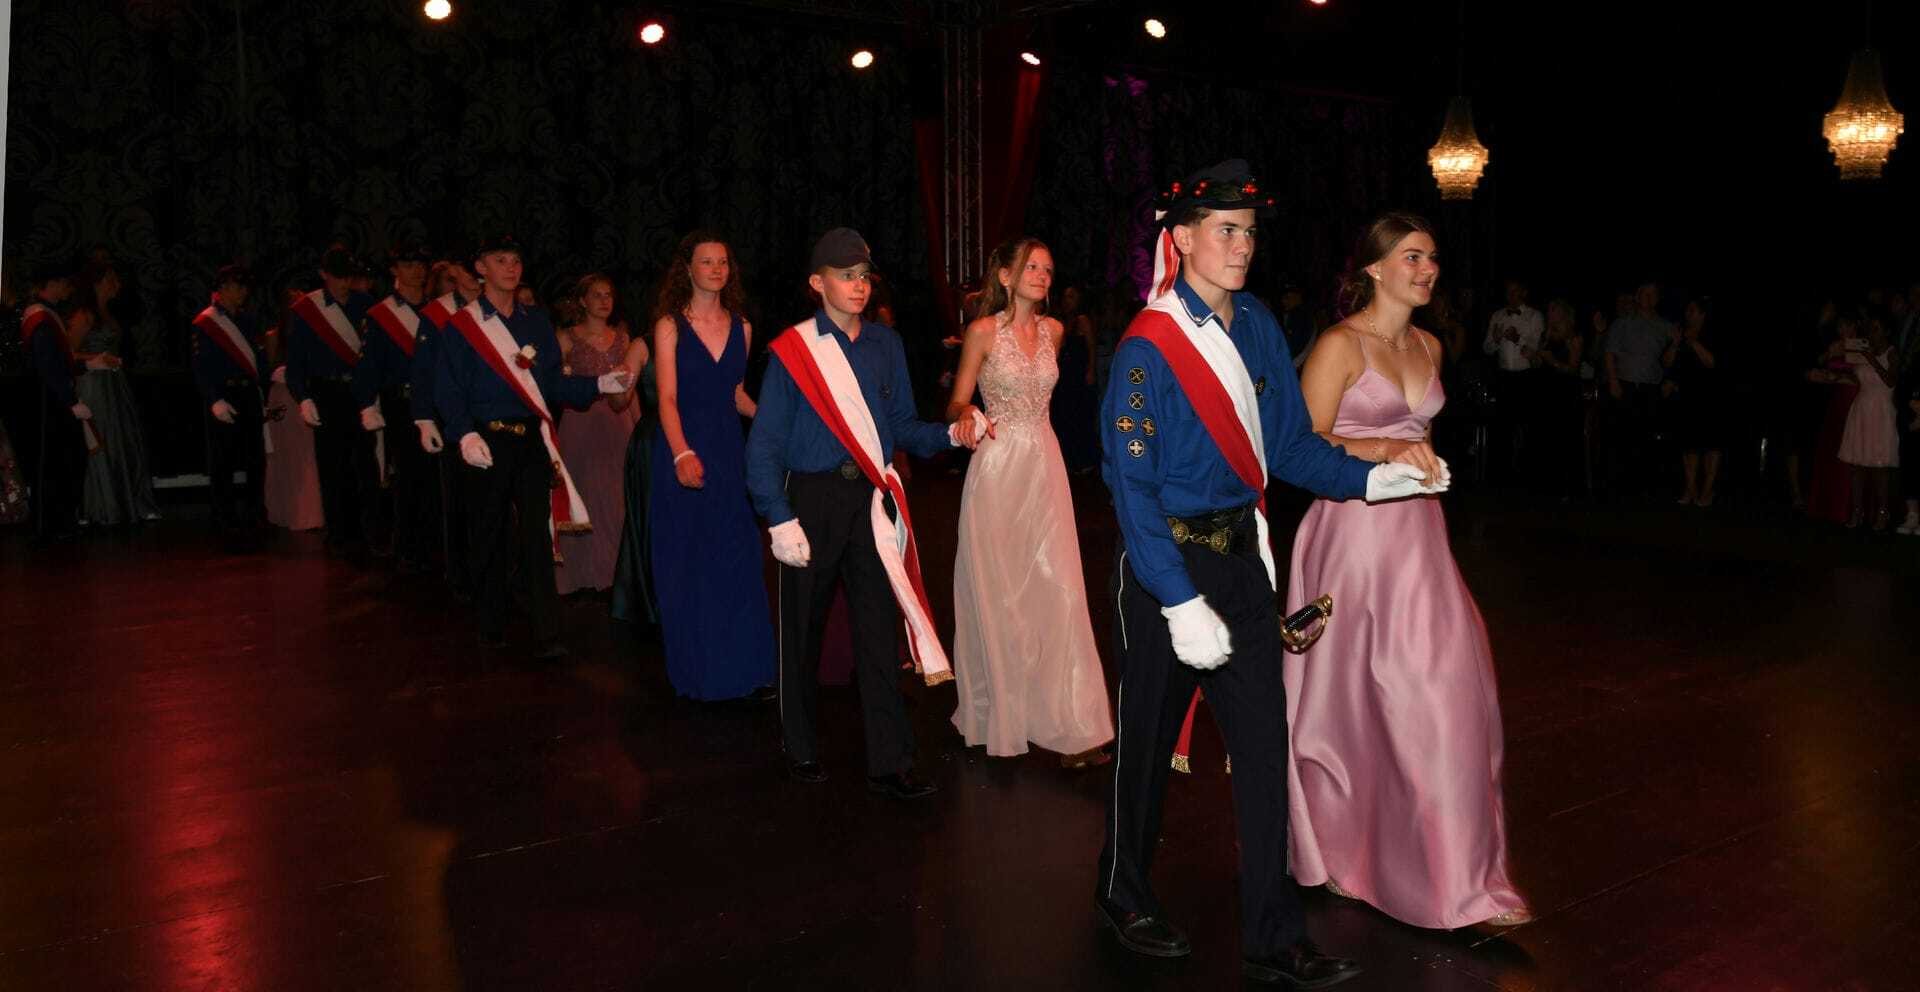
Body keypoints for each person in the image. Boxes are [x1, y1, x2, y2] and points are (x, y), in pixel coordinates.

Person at [1094, 161, 1438, 988]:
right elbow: (1131, 489)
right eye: (1226, 230)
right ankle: (1123, 891)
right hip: (1168, 568)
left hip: (1243, 564)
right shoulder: (1147, 348)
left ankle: (1273, 935)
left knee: (1261, 750)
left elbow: (1286, 448)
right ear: (1182, 239)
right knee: (1146, 745)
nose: (1243, 245)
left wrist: (1373, 479)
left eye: (1249, 232)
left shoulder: (1255, 326)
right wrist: (1178, 600)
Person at [1287, 211, 1531, 931]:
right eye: (1412, 257)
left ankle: (1460, 877)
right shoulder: (1339, 344)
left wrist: (1411, 457)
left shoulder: (1430, 344)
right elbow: (1303, 445)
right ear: (1373, 267)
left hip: (1419, 535)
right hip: (1351, 537)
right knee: (1349, 698)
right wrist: (1386, 451)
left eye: (1432, 258)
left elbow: (1418, 438)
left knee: (1447, 687)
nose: (1428, 270)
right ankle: (1341, 848)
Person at [744, 227, 983, 798]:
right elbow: (765, 444)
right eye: (845, 275)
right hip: (811, 500)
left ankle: (890, 759)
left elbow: (900, 427)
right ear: (817, 282)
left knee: (878, 629)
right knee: (802, 629)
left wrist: (951, 433)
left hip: (871, 499)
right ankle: (800, 745)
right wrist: (778, 516)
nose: (858, 285)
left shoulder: (885, 344)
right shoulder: (794, 351)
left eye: (863, 276)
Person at [945, 238, 1113, 766]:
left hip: (1045, 463)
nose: (1042, 275)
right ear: (1006, 276)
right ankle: (1004, 713)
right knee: (1000, 592)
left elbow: (1040, 395)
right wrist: (966, 414)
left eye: (1048, 268)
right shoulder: (981, 331)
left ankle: (1072, 724)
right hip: (997, 468)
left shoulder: (1055, 331)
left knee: (1058, 588)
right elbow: (957, 398)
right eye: (1032, 267)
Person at [435, 236, 632, 659]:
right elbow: (448, 387)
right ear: (481, 268)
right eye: (500, 260)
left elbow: (552, 384)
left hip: (530, 440)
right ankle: (490, 623)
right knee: (489, 533)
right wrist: (464, 433)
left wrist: (598, 384)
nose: (511, 267)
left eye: (516, 260)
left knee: (538, 536)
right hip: (486, 440)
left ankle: (547, 631)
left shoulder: (536, 322)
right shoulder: (462, 326)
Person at [646, 233, 775, 696]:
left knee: (737, 555)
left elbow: (735, 393)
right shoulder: (669, 326)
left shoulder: (742, 326)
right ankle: (700, 671)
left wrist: (772, 422)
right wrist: (682, 452)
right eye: (707, 262)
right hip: (683, 449)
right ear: (688, 269)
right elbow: (666, 398)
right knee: (690, 558)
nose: (717, 269)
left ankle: (747, 668)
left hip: (728, 453)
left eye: (723, 262)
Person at [285, 245, 378, 559]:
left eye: (348, 276)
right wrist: (303, 397)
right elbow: (295, 361)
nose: (344, 282)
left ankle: (368, 529)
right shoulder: (306, 310)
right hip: (327, 393)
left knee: (365, 464)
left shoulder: (366, 305)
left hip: (360, 393)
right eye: (338, 276)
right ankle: (338, 531)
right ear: (324, 274)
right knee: (332, 465)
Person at [553, 273, 641, 594]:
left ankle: (614, 576)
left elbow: (631, 389)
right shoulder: (565, 337)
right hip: (580, 422)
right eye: (597, 295)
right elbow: (554, 385)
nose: (605, 301)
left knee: (616, 499)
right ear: (582, 301)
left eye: (609, 295)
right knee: (582, 496)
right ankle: (581, 577)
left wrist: (640, 427)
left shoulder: (623, 338)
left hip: (617, 423)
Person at [354, 245, 437, 569]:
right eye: (408, 263)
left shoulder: (436, 311)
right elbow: (368, 365)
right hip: (401, 403)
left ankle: (435, 544)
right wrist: (366, 404)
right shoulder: (380, 315)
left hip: (436, 402)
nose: (416, 270)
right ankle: (407, 546)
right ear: (394, 270)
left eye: (420, 264)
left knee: (435, 478)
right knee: (407, 476)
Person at [72, 258, 160, 525]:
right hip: (94, 384)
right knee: (101, 438)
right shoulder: (84, 315)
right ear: (99, 282)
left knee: (122, 439)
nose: (117, 284)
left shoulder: (106, 312)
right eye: (112, 279)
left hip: (113, 383)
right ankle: (99, 505)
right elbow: (68, 353)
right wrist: (96, 358)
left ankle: (124, 501)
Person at [192, 265, 270, 539]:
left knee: (255, 458)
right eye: (238, 286)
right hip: (225, 395)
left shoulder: (248, 320)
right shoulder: (206, 322)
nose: (243, 292)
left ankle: (254, 512)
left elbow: (259, 359)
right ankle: (224, 516)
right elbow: (201, 367)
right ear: (223, 288)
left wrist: (264, 391)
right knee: (222, 460)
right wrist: (214, 399)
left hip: (248, 394)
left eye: (245, 287)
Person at [24, 261, 99, 540]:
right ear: (52, 283)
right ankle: (51, 525)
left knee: (65, 460)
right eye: (64, 282)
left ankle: (59, 522)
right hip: (51, 403)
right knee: (56, 463)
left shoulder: (48, 315)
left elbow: (58, 361)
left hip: (55, 400)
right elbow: (48, 366)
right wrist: (70, 401)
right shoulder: (40, 317)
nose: (68, 288)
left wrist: (86, 366)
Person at [421, 259, 482, 593]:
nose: (473, 278)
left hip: (489, 416)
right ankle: (460, 576)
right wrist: (424, 417)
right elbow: (425, 371)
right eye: (466, 272)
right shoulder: (437, 314)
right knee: (457, 501)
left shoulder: (495, 307)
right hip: (454, 418)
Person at [1838, 311, 1899, 530]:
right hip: (1861, 409)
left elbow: (1891, 381)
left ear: (1886, 331)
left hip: (1881, 411)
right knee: (1857, 464)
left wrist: (1873, 360)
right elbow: (1858, 378)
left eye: (1876, 329)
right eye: (1871, 329)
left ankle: (1883, 512)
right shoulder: (1863, 351)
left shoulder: (1892, 352)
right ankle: (1857, 511)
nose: (1873, 333)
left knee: (1879, 466)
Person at [1664, 298, 1724, 507]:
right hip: (1687, 397)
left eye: (1692, 310)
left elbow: (1712, 362)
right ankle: (1691, 489)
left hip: (1711, 398)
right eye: (1687, 310)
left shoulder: (1712, 334)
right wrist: (1675, 343)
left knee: (1711, 445)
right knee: (1688, 445)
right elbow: (1667, 363)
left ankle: (1707, 491)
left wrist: (1694, 342)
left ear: (1702, 314)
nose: (1687, 314)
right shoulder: (1680, 333)